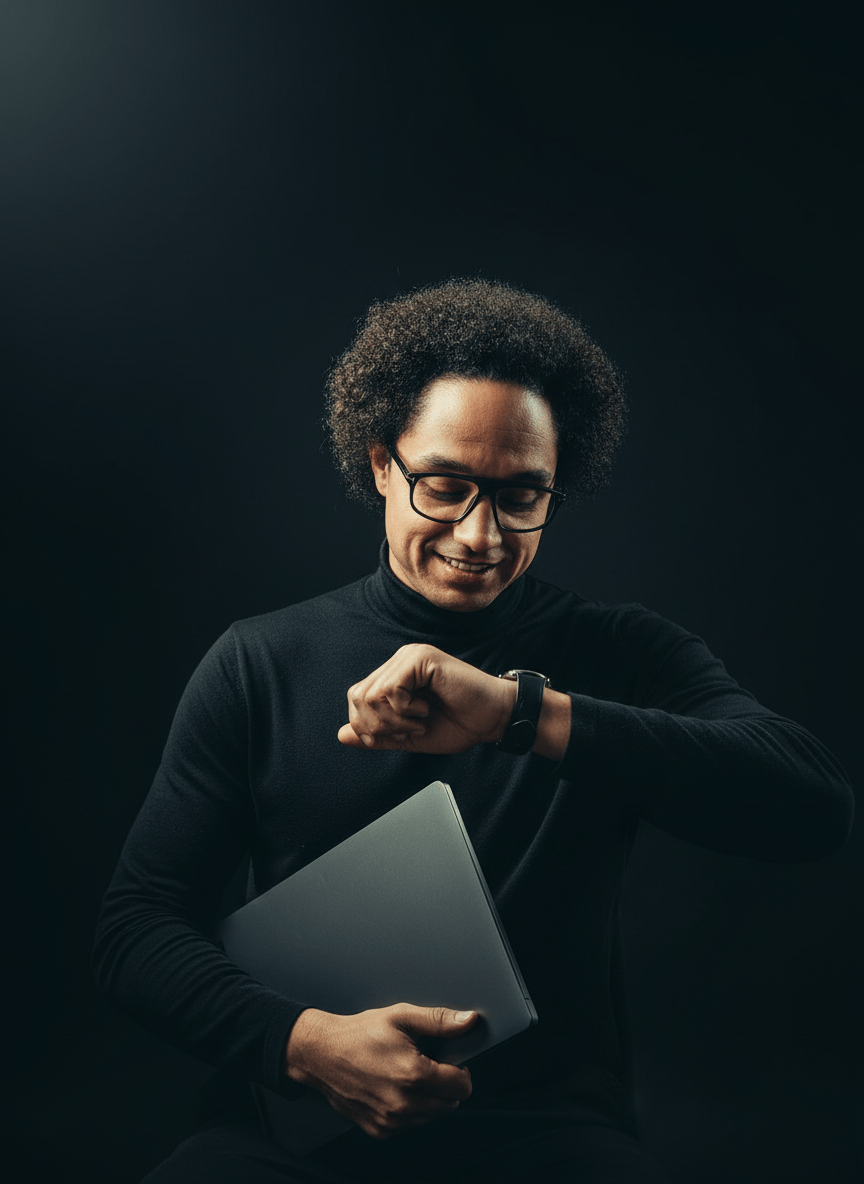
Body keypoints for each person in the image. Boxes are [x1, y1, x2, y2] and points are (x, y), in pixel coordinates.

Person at [94, 279, 853, 1183]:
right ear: (381, 464)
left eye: (522, 496)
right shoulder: (257, 662)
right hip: (288, 1123)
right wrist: (304, 1045)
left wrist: (514, 711)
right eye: (444, 487)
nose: (480, 534)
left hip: (544, 1132)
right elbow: (136, 927)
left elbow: (809, 808)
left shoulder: (621, 652)